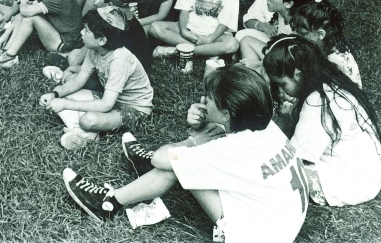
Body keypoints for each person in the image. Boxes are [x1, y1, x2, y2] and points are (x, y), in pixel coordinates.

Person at [63, 65, 308, 243]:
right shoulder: (266, 127)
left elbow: (165, 158)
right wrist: (201, 132)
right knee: (181, 160)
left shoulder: (229, 150)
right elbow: (230, 148)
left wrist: (194, 139)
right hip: (279, 222)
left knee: (173, 164)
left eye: (210, 99)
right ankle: (146, 176)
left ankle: (108, 203)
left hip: (253, 236)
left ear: (226, 114)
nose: (204, 102)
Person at [263, 36, 381, 207]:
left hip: (351, 183)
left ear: (298, 74)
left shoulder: (318, 100)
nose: (280, 91)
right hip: (367, 175)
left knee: (270, 175)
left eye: (282, 84)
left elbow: (294, 158)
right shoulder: (332, 83)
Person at [40, 7, 153, 150]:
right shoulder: (95, 50)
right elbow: (78, 81)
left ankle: (84, 132)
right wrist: (55, 94)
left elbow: (106, 104)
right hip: (112, 99)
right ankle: (82, 131)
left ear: (102, 40)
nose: (81, 32)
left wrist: (65, 104)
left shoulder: (120, 59)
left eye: (86, 30)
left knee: (88, 120)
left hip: (134, 109)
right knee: (67, 93)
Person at [43, 0, 151, 87]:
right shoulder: (115, 19)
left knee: (72, 78)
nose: (94, 2)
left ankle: (63, 74)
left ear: (110, 3)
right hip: (107, 63)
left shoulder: (119, 30)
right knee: (75, 54)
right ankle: (68, 66)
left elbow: (110, 66)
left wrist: (74, 70)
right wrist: (73, 66)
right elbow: (89, 49)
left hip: (121, 77)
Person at [238, 0, 316, 63]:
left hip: (290, 63)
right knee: (246, 40)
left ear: (288, 4)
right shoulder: (284, 15)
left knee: (247, 42)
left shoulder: (301, 26)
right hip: (282, 55)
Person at [290, 1, 361, 88]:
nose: (298, 38)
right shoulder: (327, 48)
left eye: (303, 34)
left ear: (320, 34)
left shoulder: (333, 61)